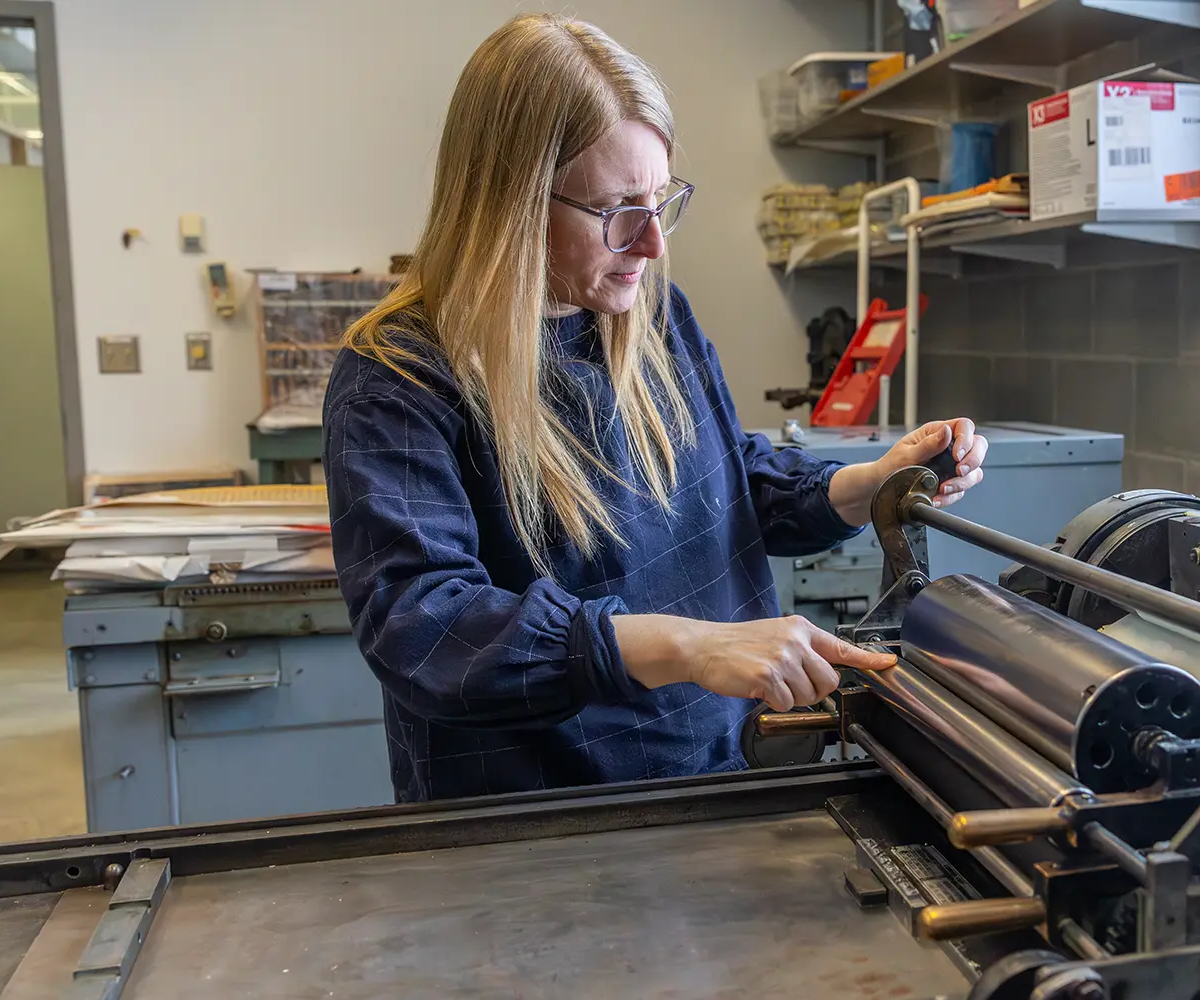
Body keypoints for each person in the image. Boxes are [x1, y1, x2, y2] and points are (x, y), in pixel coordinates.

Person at [323, 14, 987, 803]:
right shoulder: (400, 375)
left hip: (708, 779)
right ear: (511, 204)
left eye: (660, 200)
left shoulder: (653, 322)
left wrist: (865, 484)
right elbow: (425, 629)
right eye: (617, 211)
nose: (652, 245)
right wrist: (688, 646)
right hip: (531, 823)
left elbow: (728, 478)